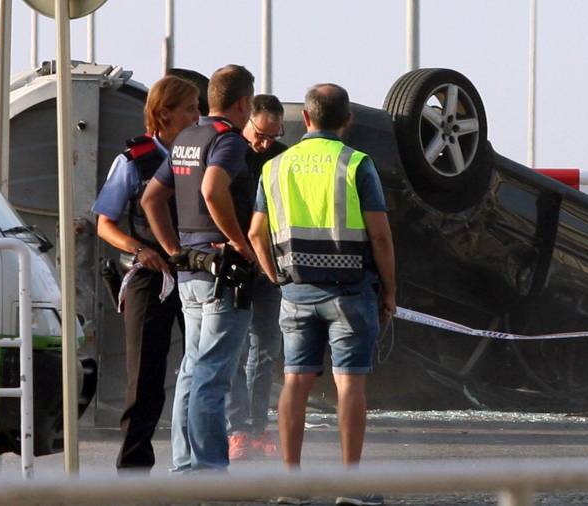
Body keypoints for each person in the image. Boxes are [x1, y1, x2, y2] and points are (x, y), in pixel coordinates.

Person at [248, 83, 396, 506]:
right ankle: (350, 486)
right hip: (351, 292)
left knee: (295, 380)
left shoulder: (275, 166)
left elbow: (256, 232)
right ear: (346, 121)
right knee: (350, 384)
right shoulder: (356, 164)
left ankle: (290, 484)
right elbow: (380, 236)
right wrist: (390, 288)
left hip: (296, 291)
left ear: (307, 119)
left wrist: (274, 275)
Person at [141, 64, 258, 472]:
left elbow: (151, 199)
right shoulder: (228, 141)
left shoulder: (187, 138)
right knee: (213, 374)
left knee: (192, 370)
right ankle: (209, 470)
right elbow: (212, 189)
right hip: (222, 275)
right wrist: (241, 244)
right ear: (244, 103)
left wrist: (174, 248)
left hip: (190, 271)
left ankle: (186, 464)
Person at [91, 75, 200, 471]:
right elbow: (105, 223)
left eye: (198, 107)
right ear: (164, 113)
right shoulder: (133, 160)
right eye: (189, 109)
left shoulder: (200, 155)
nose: (197, 116)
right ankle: (134, 468)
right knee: (146, 377)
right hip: (148, 277)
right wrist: (140, 249)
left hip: (195, 273)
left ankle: (196, 462)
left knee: (201, 368)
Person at [225, 94, 288, 460]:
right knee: (235, 348)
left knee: (266, 348)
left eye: (271, 136)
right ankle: (238, 429)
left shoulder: (281, 156)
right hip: (235, 261)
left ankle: (259, 425)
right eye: (259, 135)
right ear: (246, 121)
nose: (263, 143)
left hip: (269, 264)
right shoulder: (230, 150)